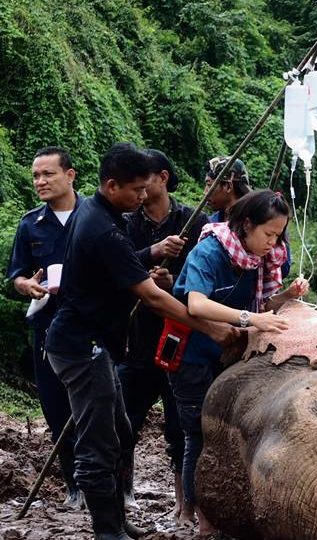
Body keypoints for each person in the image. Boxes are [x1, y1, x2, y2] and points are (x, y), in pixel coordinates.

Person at [44, 143, 240, 540]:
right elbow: (151, 296)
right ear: (112, 185)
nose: (142, 197)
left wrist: (150, 252)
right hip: (82, 347)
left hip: (94, 343)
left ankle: (116, 521)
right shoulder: (103, 229)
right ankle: (107, 531)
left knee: (116, 430)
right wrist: (210, 326)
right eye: (136, 190)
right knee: (98, 442)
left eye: (146, 188)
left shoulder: (98, 212)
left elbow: (124, 262)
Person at [169, 189, 308, 535]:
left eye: (278, 236)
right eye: (268, 234)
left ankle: (225, 512)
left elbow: (262, 303)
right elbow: (197, 304)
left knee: (229, 433)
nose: (272, 243)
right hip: (192, 354)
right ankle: (201, 520)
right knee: (198, 435)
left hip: (229, 353)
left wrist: (288, 296)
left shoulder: (259, 258)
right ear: (246, 225)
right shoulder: (210, 251)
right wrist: (251, 319)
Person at [117, 149, 208, 514]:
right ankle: (122, 496)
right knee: (124, 420)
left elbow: (205, 281)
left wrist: (174, 282)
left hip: (179, 338)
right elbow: (117, 266)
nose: (140, 188)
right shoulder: (126, 223)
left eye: (146, 179)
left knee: (180, 426)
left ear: (164, 178)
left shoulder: (194, 222)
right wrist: (149, 257)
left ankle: (184, 502)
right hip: (135, 337)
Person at [7, 146, 83, 508]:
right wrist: (25, 285)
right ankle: (74, 487)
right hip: (48, 329)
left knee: (99, 410)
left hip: (92, 329)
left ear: (70, 175)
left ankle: (106, 486)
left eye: (48, 174)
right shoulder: (30, 224)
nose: (40, 181)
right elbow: (15, 276)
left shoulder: (97, 217)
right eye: (36, 175)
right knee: (56, 409)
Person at [202, 156, 250, 223]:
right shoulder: (210, 224)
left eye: (209, 185)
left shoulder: (253, 223)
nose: (205, 192)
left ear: (228, 187)